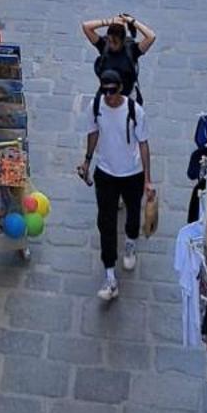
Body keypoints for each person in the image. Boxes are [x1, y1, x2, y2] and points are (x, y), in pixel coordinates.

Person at [78, 70, 151, 301]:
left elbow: (144, 144)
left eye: (112, 90)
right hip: (106, 172)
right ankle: (110, 276)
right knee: (106, 222)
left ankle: (130, 242)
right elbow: (93, 132)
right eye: (104, 90)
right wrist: (87, 161)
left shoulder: (135, 111)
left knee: (132, 214)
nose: (108, 96)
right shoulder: (96, 105)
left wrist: (148, 180)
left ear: (120, 88)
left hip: (132, 173)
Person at [82, 13, 156, 93]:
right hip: (107, 93)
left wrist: (132, 21)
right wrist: (110, 21)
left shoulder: (132, 50)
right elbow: (86, 26)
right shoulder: (104, 45)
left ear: (123, 40)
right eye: (110, 41)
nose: (111, 45)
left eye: (115, 42)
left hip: (127, 95)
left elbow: (151, 36)